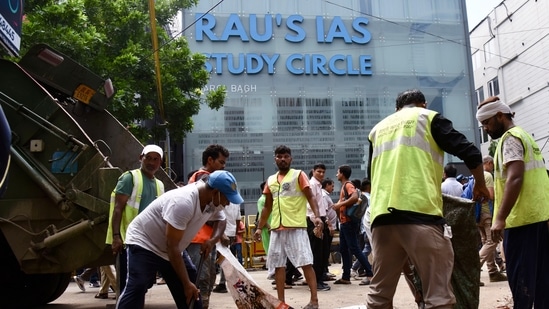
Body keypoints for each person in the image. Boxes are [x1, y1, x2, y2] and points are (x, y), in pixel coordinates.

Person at [366, 89, 490, 309]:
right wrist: (480, 184)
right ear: (422, 104)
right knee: (438, 295)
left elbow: (371, 176)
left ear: (397, 109)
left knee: (379, 294)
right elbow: (471, 152)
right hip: (420, 215)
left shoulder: (377, 130)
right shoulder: (428, 117)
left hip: (381, 219)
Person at [116, 170, 244, 309]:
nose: (227, 204)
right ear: (215, 192)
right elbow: (171, 247)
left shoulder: (213, 203)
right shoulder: (183, 202)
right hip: (145, 243)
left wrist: (212, 240)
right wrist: (186, 283)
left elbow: (221, 220)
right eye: (227, 199)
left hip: (173, 247)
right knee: (138, 286)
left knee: (192, 288)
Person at [476, 96, 549, 308]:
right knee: (542, 282)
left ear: (500, 116)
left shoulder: (510, 139)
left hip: (520, 222)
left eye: (487, 123)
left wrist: (499, 218)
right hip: (538, 218)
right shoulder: (525, 136)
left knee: (522, 283)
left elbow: (515, 177)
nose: (486, 129)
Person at [253, 145, 323, 309]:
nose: (282, 159)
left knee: (305, 263)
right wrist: (259, 227)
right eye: (279, 156)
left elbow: (310, 196)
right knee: (278, 266)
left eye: (285, 156)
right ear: (275, 159)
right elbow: (267, 207)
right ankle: (281, 302)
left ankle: (314, 301)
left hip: (296, 227)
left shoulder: (299, 175)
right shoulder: (270, 180)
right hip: (277, 228)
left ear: (290, 158)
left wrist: (317, 216)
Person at [105, 144, 165, 294]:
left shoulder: (160, 185)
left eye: (155, 159)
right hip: (129, 241)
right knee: (129, 285)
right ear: (141, 158)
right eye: (148, 158)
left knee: (143, 285)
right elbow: (117, 209)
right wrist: (116, 236)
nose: (151, 162)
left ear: (160, 162)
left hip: (149, 242)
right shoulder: (129, 178)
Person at [185, 144, 230, 308]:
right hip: (197, 238)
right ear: (210, 160)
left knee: (208, 278)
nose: (223, 166)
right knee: (201, 278)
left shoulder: (206, 178)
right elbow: (206, 210)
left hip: (206, 239)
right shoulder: (203, 177)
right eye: (221, 162)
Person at [332, 166, 373, 286]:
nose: (336, 175)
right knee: (344, 249)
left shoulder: (348, 185)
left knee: (354, 248)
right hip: (345, 222)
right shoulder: (344, 186)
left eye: (338, 173)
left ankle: (370, 274)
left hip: (349, 222)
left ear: (342, 174)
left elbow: (354, 197)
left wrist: (340, 205)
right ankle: (346, 277)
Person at [476, 155, 507, 283]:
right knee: (492, 242)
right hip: (487, 213)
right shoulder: (487, 175)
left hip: (477, 214)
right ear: (488, 163)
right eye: (492, 165)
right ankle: (474, 266)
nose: (492, 167)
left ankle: (493, 271)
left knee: (486, 242)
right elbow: (491, 196)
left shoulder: (476, 175)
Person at [306, 163, 331, 291]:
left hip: (320, 219)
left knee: (323, 252)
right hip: (314, 220)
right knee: (317, 253)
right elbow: (310, 204)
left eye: (323, 172)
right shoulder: (312, 185)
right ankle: (316, 282)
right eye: (319, 171)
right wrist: (316, 221)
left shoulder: (318, 185)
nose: (321, 174)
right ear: (313, 171)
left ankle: (319, 279)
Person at [212, 202, 241, 293]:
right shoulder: (237, 202)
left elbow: (218, 217)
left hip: (223, 232)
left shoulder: (223, 200)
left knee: (221, 259)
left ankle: (222, 283)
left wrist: (221, 234)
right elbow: (238, 219)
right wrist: (235, 233)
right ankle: (228, 282)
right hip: (231, 232)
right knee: (228, 258)